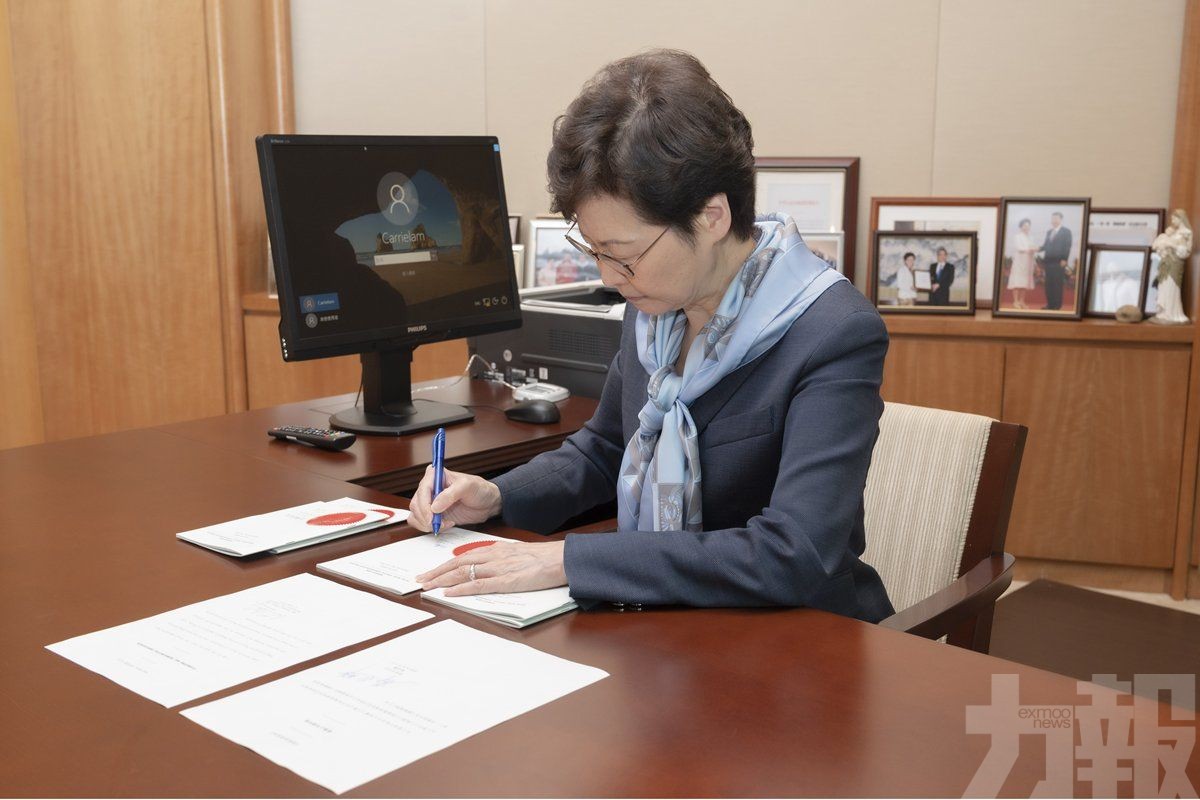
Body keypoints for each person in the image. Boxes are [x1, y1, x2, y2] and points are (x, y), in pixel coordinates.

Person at [407, 50, 894, 623]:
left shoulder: (831, 332)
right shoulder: (658, 305)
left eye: (625, 255)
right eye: (596, 252)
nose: (611, 279)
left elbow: (796, 552)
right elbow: (604, 447)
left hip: (795, 640)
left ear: (712, 216)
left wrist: (571, 559)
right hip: (664, 622)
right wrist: (499, 495)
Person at [1037, 212, 1073, 310]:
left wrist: (1064, 259)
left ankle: (1057, 306)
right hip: (1048, 262)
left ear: (1061, 220)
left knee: (1057, 284)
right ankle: (1050, 305)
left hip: (1059, 262)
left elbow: (1068, 246)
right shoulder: (1049, 232)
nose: (1054, 221)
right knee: (1049, 284)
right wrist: (1037, 248)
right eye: (1053, 219)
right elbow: (1045, 246)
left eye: (1056, 218)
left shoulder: (1066, 231)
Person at [1006, 219, 1037, 309]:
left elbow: (1033, 248)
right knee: (1017, 282)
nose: (1026, 227)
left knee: (1025, 283)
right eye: (1024, 225)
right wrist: (1029, 249)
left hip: (1028, 262)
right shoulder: (1017, 236)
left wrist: (1035, 249)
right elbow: (1019, 248)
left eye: (1028, 225)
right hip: (1019, 262)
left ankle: (1022, 301)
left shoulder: (1031, 237)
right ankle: (1015, 302)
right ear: (1021, 227)